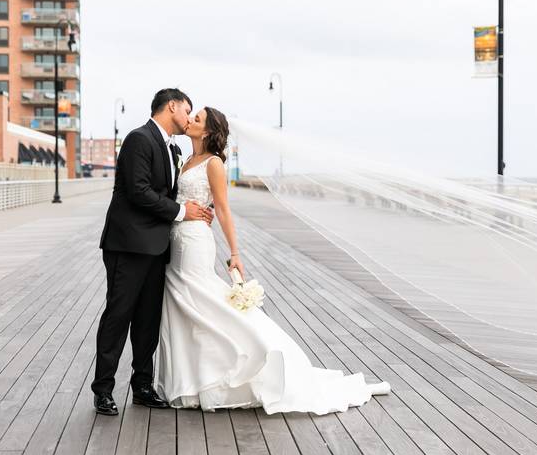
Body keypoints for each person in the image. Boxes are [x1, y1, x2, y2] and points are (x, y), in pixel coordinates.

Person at [154, 106, 391, 414]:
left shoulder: (213, 164)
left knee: (202, 303)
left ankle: (253, 354)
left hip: (196, 242)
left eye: (197, 119)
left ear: (209, 132)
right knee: (185, 308)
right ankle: (191, 383)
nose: (190, 121)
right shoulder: (186, 160)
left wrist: (235, 253)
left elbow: (223, 210)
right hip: (177, 241)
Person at [92, 88, 213, 416]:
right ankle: (102, 389)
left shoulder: (172, 147)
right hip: (128, 245)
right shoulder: (139, 139)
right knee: (119, 316)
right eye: (187, 110)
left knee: (148, 320)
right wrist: (180, 211)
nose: (189, 117)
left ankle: (142, 385)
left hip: (158, 247)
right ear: (171, 106)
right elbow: (139, 192)